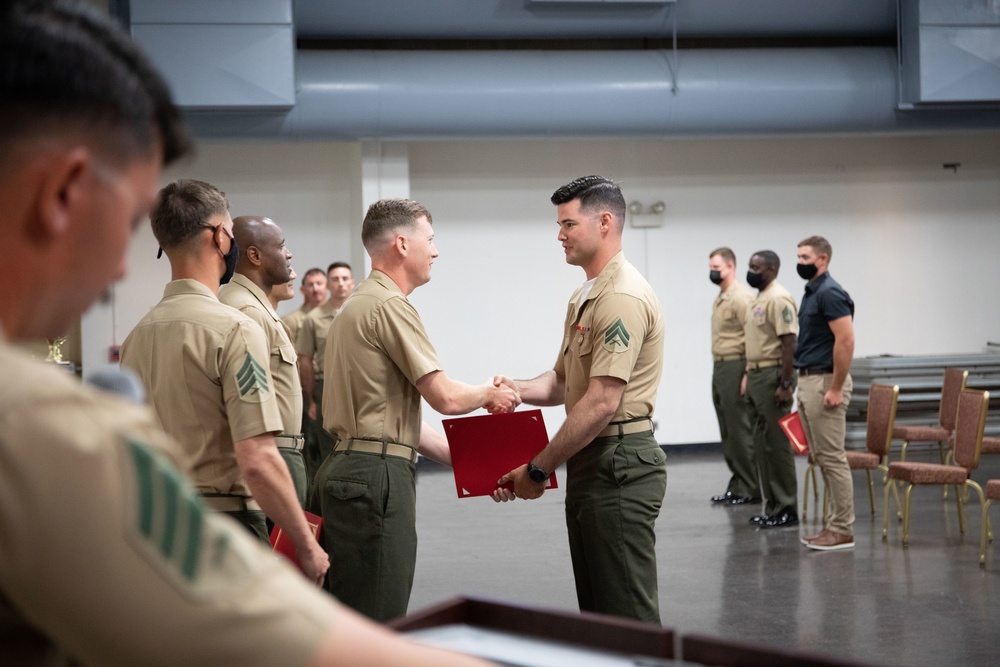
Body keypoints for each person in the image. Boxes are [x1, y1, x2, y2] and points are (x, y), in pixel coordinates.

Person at [0, 2, 490, 665]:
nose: (118, 264)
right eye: (119, 222)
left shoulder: (128, 349)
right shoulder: (35, 422)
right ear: (61, 194)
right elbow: (237, 609)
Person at [311, 198, 519, 622]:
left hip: (348, 467)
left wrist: (481, 467)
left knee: (350, 613)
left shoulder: (356, 307)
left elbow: (401, 423)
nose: (436, 251)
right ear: (403, 244)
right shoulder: (390, 307)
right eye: (431, 239)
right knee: (378, 618)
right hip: (376, 479)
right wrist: (489, 393)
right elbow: (445, 397)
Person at [120, 180, 329, 585]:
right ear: (220, 236)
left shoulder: (136, 336)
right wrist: (306, 544)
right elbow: (258, 459)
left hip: (162, 526)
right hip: (227, 526)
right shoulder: (235, 329)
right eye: (230, 232)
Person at [491, 175, 667, 624]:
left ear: (605, 222)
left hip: (619, 462)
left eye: (568, 224)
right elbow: (562, 382)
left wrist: (537, 468)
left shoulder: (621, 297)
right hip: (595, 459)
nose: (560, 235)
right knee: (600, 613)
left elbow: (602, 402)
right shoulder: (585, 296)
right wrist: (511, 389)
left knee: (627, 615)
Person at [219, 216, 307, 509]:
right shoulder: (246, 310)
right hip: (273, 454)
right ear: (254, 255)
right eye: (281, 246)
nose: (289, 254)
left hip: (281, 451)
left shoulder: (254, 305)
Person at [794, 236, 856, 551]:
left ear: (823, 259)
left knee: (832, 458)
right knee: (820, 458)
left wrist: (834, 388)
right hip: (809, 380)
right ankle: (834, 524)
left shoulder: (831, 293)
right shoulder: (813, 292)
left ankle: (843, 529)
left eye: (806, 257)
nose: (800, 262)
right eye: (799, 256)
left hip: (824, 383)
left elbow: (845, 341)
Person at [743, 251, 799, 529]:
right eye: (750, 266)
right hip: (756, 373)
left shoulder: (778, 298)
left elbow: (789, 342)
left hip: (772, 374)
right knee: (762, 445)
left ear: (773, 269)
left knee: (777, 445)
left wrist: (785, 383)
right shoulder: (760, 297)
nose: (751, 271)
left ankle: (787, 507)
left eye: (757, 267)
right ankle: (773, 506)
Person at [708, 247, 759, 506]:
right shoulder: (722, 297)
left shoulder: (741, 297)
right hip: (721, 367)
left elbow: (753, 336)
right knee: (728, 430)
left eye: (717, 267)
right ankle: (738, 483)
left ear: (731, 267)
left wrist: (748, 373)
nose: (713, 272)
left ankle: (750, 487)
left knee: (740, 430)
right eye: (711, 267)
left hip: (737, 366)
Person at [297, 262, 354, 491]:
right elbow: (305, 360)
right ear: (329, 284)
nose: (340, 284)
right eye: (335, 279)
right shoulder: (314, 318)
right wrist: (311, 399)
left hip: (355, 386)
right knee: (328, 448)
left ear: (352, 283)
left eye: (344, 279)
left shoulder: (359, 312)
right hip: (326, 387)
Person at [283, 267, 328, 345]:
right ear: (302, 290)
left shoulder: (336, 315)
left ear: (327, 286)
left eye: (319, 283)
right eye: (310, 285)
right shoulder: (291, 320)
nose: (315, 289)